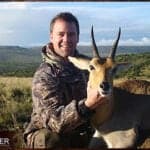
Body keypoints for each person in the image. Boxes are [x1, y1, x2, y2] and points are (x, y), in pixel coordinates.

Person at [24, 12, 105, 149]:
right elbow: (56, 122)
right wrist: (87, 105)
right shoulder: (45, 75)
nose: (66, 39)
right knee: (50, 140)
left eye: (71, 34)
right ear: (51, 37)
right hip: (50, 132)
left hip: (83, 130)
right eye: (61, 34)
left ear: (78, 38)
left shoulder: (90, 67)